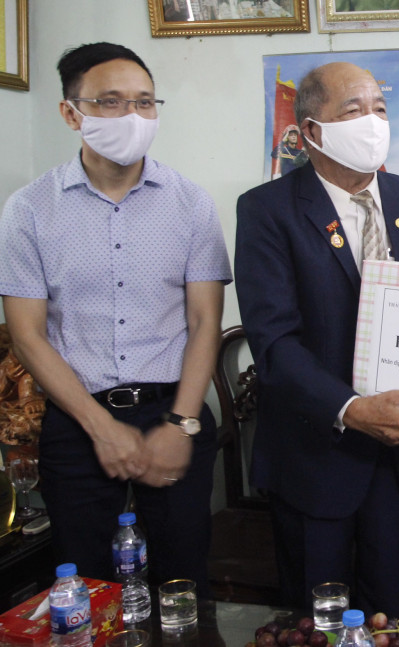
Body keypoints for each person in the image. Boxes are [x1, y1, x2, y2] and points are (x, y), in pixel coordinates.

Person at [0, 42, 231, 593]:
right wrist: (101, 428)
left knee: (182, 583)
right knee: (85, 585)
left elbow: (205, 323)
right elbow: (28, 336)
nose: (132, 115)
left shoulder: (190, 203)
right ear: (70, 112)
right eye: (111, 101)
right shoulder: (29, 209)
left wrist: (181, 424)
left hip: (173, 411)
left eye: (145, 102)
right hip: (77, 419)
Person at [234, 61, 399, 615]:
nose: (373, 121)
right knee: (317, 621)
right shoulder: (266, 210)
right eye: (354, 111)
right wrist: (352, 409)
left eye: (380, 108)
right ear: (311, 131)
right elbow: (274, 342)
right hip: (314, 456)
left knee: (396, 617)